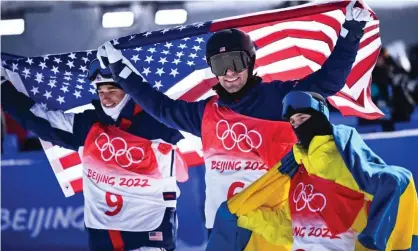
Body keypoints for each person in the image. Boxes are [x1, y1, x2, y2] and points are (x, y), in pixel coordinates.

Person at [98, 0, 372, 240]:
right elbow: (159, 106)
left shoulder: (279, 100)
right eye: (220, 65)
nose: (229, 73)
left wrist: (350, 33)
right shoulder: (205, 114)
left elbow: (327, 82)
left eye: (236, 63)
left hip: (272, 227)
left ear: (251, 62)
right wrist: (120, 72)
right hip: (222, 229)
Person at [1, 60, 187, 251]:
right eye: (101, 91)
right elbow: (38, 119)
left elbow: (197, 137)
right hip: (104, 233)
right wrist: (3, 87)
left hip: (149, 228)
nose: (106, 98)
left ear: (129, 90)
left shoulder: (159, 121)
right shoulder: (87, 125)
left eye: (112, 90)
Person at [208, 91, 418, 251]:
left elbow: (395, 182)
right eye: (292, 122)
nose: (297, 126)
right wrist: (244, 216)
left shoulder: (347, 163)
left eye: (302, 118)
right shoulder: (296, 170)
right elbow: (291, 229)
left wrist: (373, 238)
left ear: (320, 118)